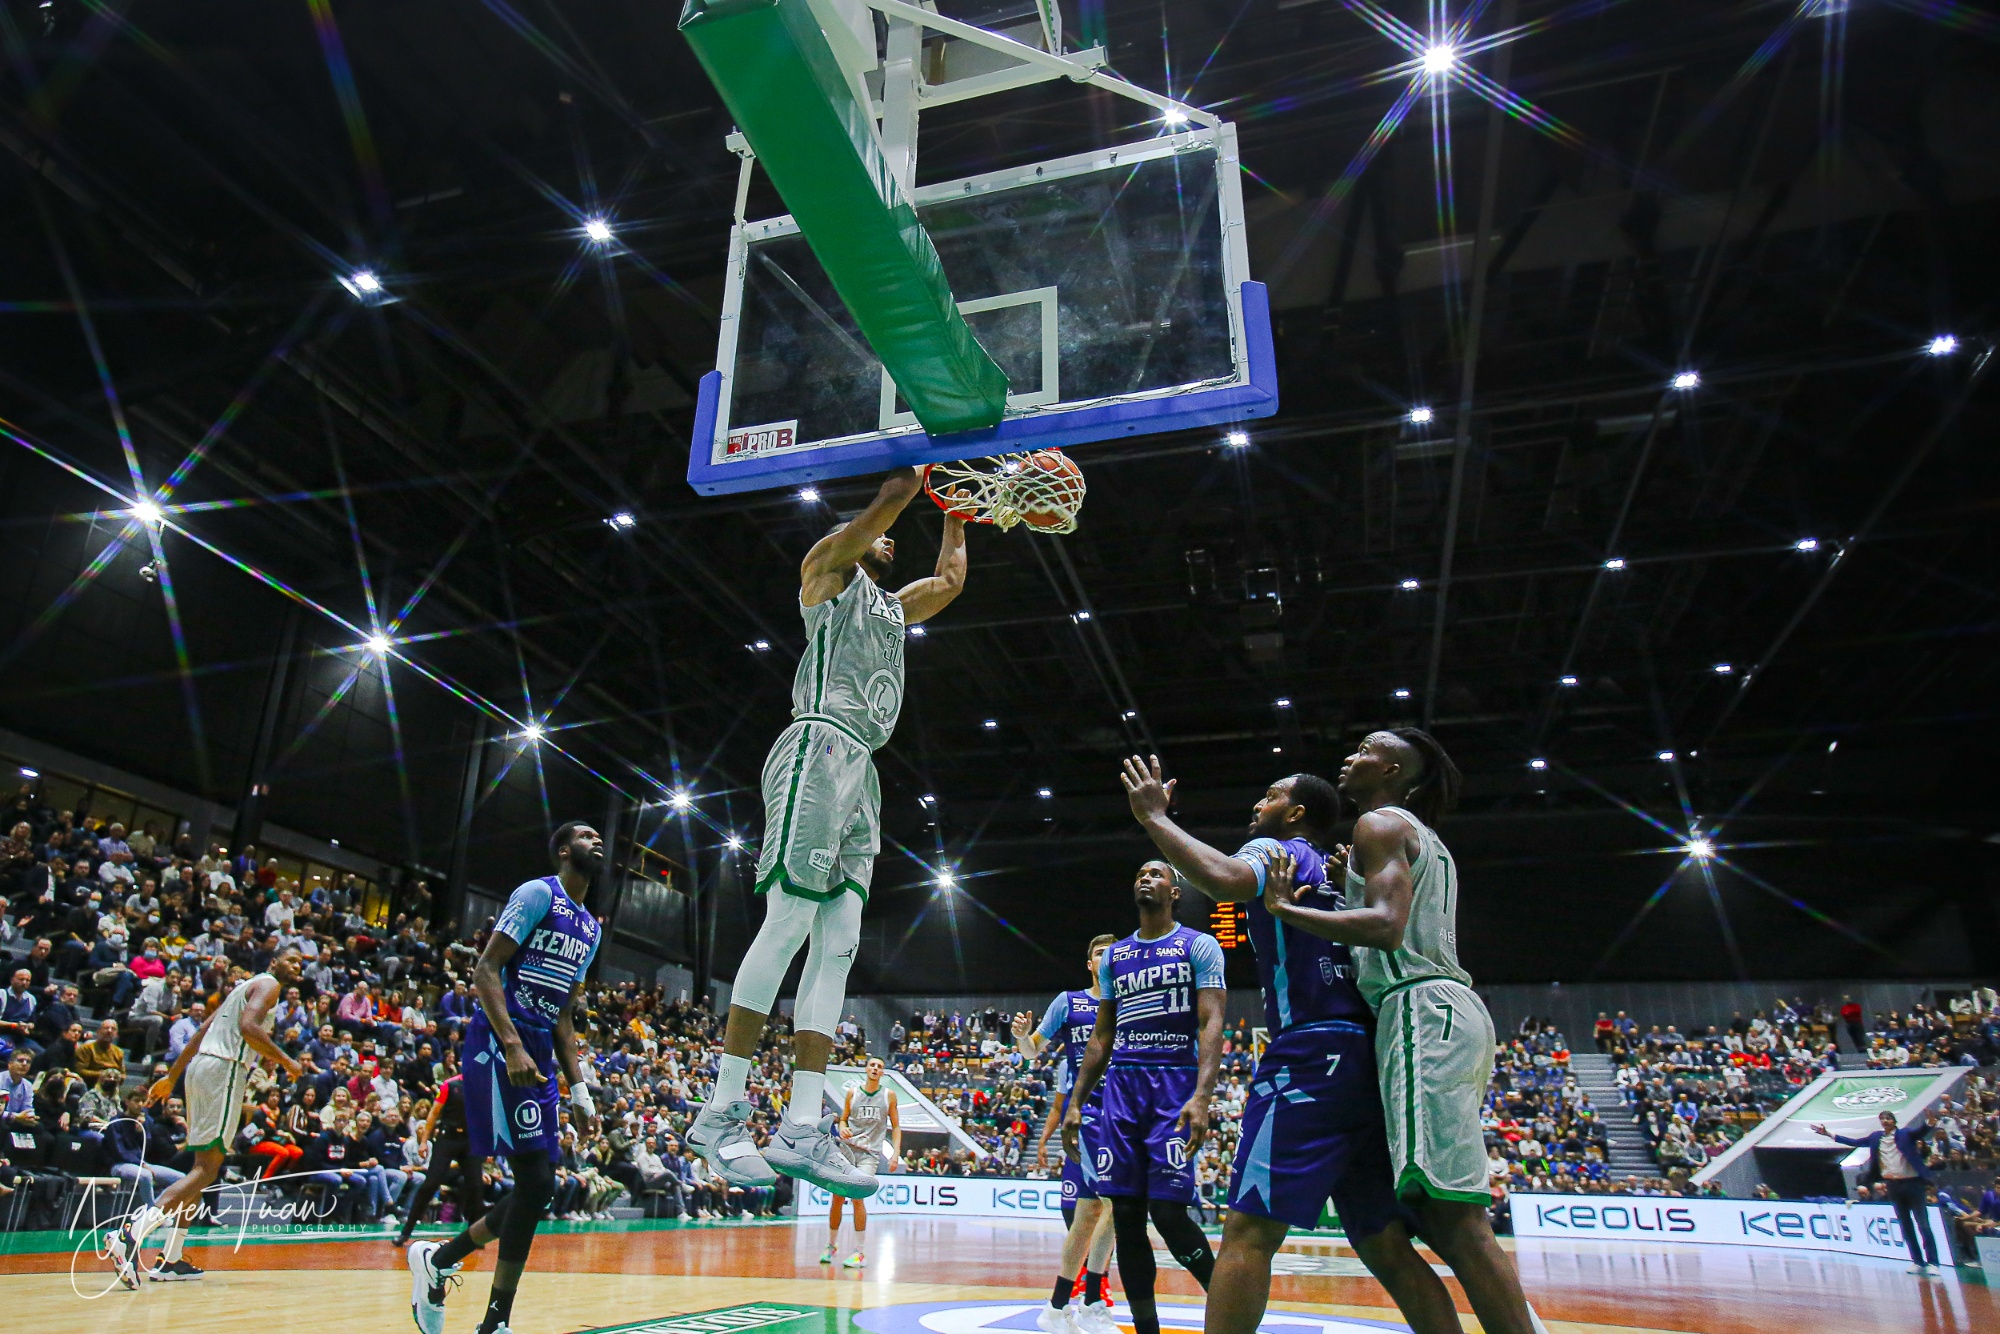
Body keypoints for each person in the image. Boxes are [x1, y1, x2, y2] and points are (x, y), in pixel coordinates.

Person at [689, 468, 971, 1199]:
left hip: (864, 772)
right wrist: (920, 469)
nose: (888, 542)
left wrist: (957, 513)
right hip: (816, 746)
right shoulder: (825, 574)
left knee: (838, 942)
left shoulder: (891, 606)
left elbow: (949, 579)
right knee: (786, 923)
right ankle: (720, 1112)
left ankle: (802, 1125)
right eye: (879, 536)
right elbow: (882, 506)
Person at [1116, 760, 1462, 1334]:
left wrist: (1154, 817)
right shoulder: (1346, 873)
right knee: (1386, 1245)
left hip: (1310, 1054)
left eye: (1271, 794)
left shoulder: (1281, 852)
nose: (1259, 804)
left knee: (1248, 1233)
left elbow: (1224, 878)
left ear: (1296, 814)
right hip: (1371, 1056)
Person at [1230, 731, 1543, 1334]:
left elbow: (1386, 926)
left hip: (1420, 1010)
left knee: (1457, 1222)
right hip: (1440, 1011)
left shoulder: (1378, 824)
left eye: (1366, 749)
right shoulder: (1412, 838)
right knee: (1428, 1224)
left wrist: (1289, 911)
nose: (1350, 755)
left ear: (1393, 768)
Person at [407, 823, 604, 1334]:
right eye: (586, 834)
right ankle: (494, 1321)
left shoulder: (590, 928)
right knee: (535, 1182)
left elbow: (563, 1014)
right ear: (564, 849)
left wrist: (579, 1090)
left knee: (539, 1191)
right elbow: (485, 969)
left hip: (539, 1045)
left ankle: (440, 1261)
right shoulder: (540, 893)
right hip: (501, 1040)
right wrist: (513, 1044)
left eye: (600, 835)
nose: (597, 840)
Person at [1063, 861, 1224, 1334]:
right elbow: (1101, 1036)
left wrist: (1202, 1095)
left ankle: (1232, 1307)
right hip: (1122, 1092)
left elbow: (1211, 1021)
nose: (1144, 878)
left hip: (1173, 1089)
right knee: (1128, 1218)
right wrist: (1076, 1101)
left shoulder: (1199, 945)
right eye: (1139, 873)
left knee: (1170, 1214)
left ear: (1175, 891)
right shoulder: (1115, 958)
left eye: (1156, 873)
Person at [107, 947, 306, 1286]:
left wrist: (172, 1076)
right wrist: (287, 1060)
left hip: (201, 1069)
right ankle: (132, 1232)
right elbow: (248, 1027)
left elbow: (202, 1032)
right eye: (291, 960)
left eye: (301, 963)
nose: (297, 966)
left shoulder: (241, 990)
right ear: (273, 962)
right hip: (225, 1070)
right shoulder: (269, 984)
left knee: (203, 1166)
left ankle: (171, 1259)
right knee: (208, 1168)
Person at [1013, 934, 1120, 1334]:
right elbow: (1031, 1050)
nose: (1106, 956)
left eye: (1113, 951)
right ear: (1090, 963)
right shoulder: (1069, 1002)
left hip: (1123, 1114)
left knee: (1095, 1210)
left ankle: (1058, 1306)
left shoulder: (1128, 1003)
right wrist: (1022, 1036)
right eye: (1098, 952)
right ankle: (1091, 1301)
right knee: (1111, 1201)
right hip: (1088, 1113)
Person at [1811, 1110, 1941, 1273]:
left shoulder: (1905, 1134)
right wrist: (1828, 1133)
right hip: (1892, 1185)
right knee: (1906, 1226)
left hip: (1912, 1184)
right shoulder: (1875, 1137)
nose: (1885, 1121)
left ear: (1894, 1121)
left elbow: (1920, 1132)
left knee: (1923, 1224)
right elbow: (1855, 1142)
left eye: (1888, 1118)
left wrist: (1929, 1122)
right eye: (1882, 1119)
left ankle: (1933, 1263)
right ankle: (1917, 1261)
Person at [824, 1055, 901, 1268]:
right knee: (837, 1198)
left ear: (882, 1073)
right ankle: (831, 1244)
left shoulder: (889, 1096)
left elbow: (895, 1126)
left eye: (879, 1066)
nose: (875, 1068)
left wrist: (895, 1154)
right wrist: (842, 1127)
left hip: (869, 1154)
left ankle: (859, 1252)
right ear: (866, 1070)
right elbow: (843, 1118)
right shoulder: (853, 1093)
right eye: (872, 1065)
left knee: (858, 1196)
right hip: (847, 1150)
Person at [393, 1072, 480, 1248]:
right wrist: (424, 1141)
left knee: (476, 1185)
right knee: (430, 1184)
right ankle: (406, 1231)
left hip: (470, 1139)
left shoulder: (485, 1086)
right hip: (448, 1137)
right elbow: (433, 1114)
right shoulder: (450, 1085)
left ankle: (475, 1234)